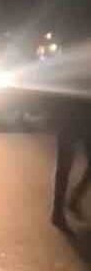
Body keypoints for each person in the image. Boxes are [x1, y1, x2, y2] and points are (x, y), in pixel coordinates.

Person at [50, 97, 91, 232]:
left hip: (74, 111)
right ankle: (60, 210)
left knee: (64, 165)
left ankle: (62, 208)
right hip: (73, 112)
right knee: (64, 164)